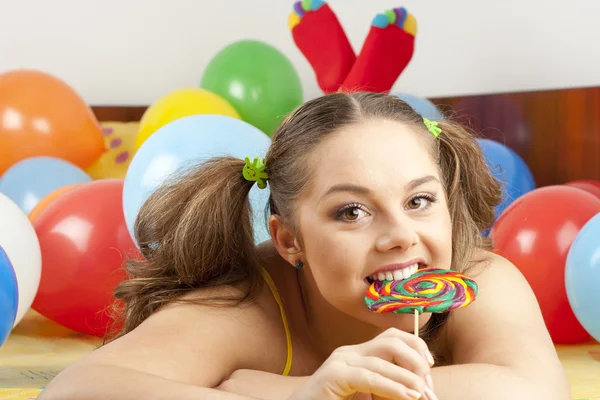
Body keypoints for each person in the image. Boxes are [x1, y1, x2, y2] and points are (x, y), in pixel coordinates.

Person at [38, 92, 570, 400]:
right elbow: (76, 392)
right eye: (352, 212)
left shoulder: (480, 280)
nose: (402, 236)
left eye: (419, 201)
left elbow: (536, 390)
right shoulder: (247, 306)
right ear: (289, 239)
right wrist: (303, 394)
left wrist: (325, 391)